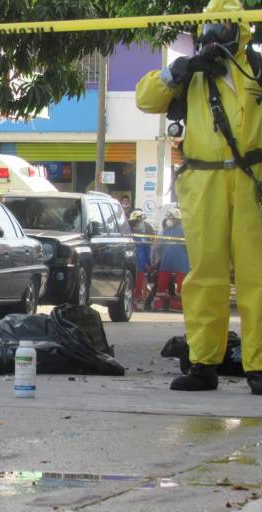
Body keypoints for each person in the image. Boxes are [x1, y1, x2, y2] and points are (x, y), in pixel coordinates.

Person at [136, 0, 262, 394]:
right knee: (204, 275)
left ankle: (259, 366)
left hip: (250, 180)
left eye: (225, 24)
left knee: (256, 276)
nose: (217, 32)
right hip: (203, 181)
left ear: (242, 28)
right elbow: (146, 98)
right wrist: (179, 69)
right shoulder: (191, 73)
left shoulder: (255, 68)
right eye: (211, 25)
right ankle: (204, 364)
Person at [150, 209, 190, 312]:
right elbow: (156, 246)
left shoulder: (184, 231)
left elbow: (190, 247)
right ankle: (159, 303)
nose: (169, 220)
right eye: (168, 218)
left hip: (180, 261)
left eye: (171, 218)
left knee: (182, 284)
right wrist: (153, 260)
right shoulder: (164, 231)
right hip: (167, 261)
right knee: (161, 284)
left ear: (177, 219)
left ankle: (183, 304)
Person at [128, 209, 156, 305]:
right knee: (136, 283)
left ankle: (136, 298)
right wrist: (149, 263)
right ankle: (135, 299)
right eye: (139, 221)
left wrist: (148, 263)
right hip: (134, 264)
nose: (141, 223)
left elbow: (147, 249)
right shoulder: (129, 233)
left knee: (138, 282)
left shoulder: (130, 233)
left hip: (138, 264)